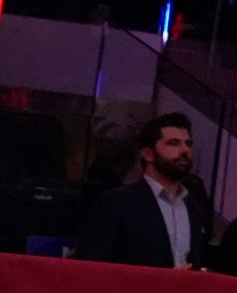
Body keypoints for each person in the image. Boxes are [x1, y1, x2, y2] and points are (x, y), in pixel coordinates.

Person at [73, 113, 211, 268]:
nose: (185, 150)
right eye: (174, 143)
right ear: (148, 154)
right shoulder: (116, 203)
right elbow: (88, 266)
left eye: (188, 144)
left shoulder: (195, 207)